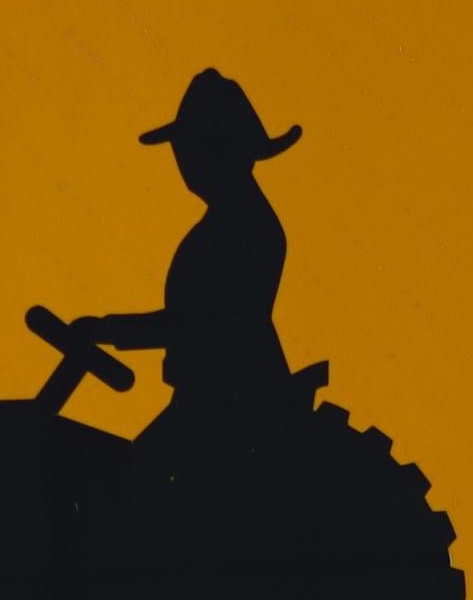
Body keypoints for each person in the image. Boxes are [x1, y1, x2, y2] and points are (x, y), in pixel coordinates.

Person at [75, 70, 306, 439]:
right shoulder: (231, 222)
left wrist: (109, 329)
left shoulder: (243, 228)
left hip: (230, 403)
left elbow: (204, 321)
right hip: (211, 395)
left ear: (223, 150)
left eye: (192, 147)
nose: (183, 162)